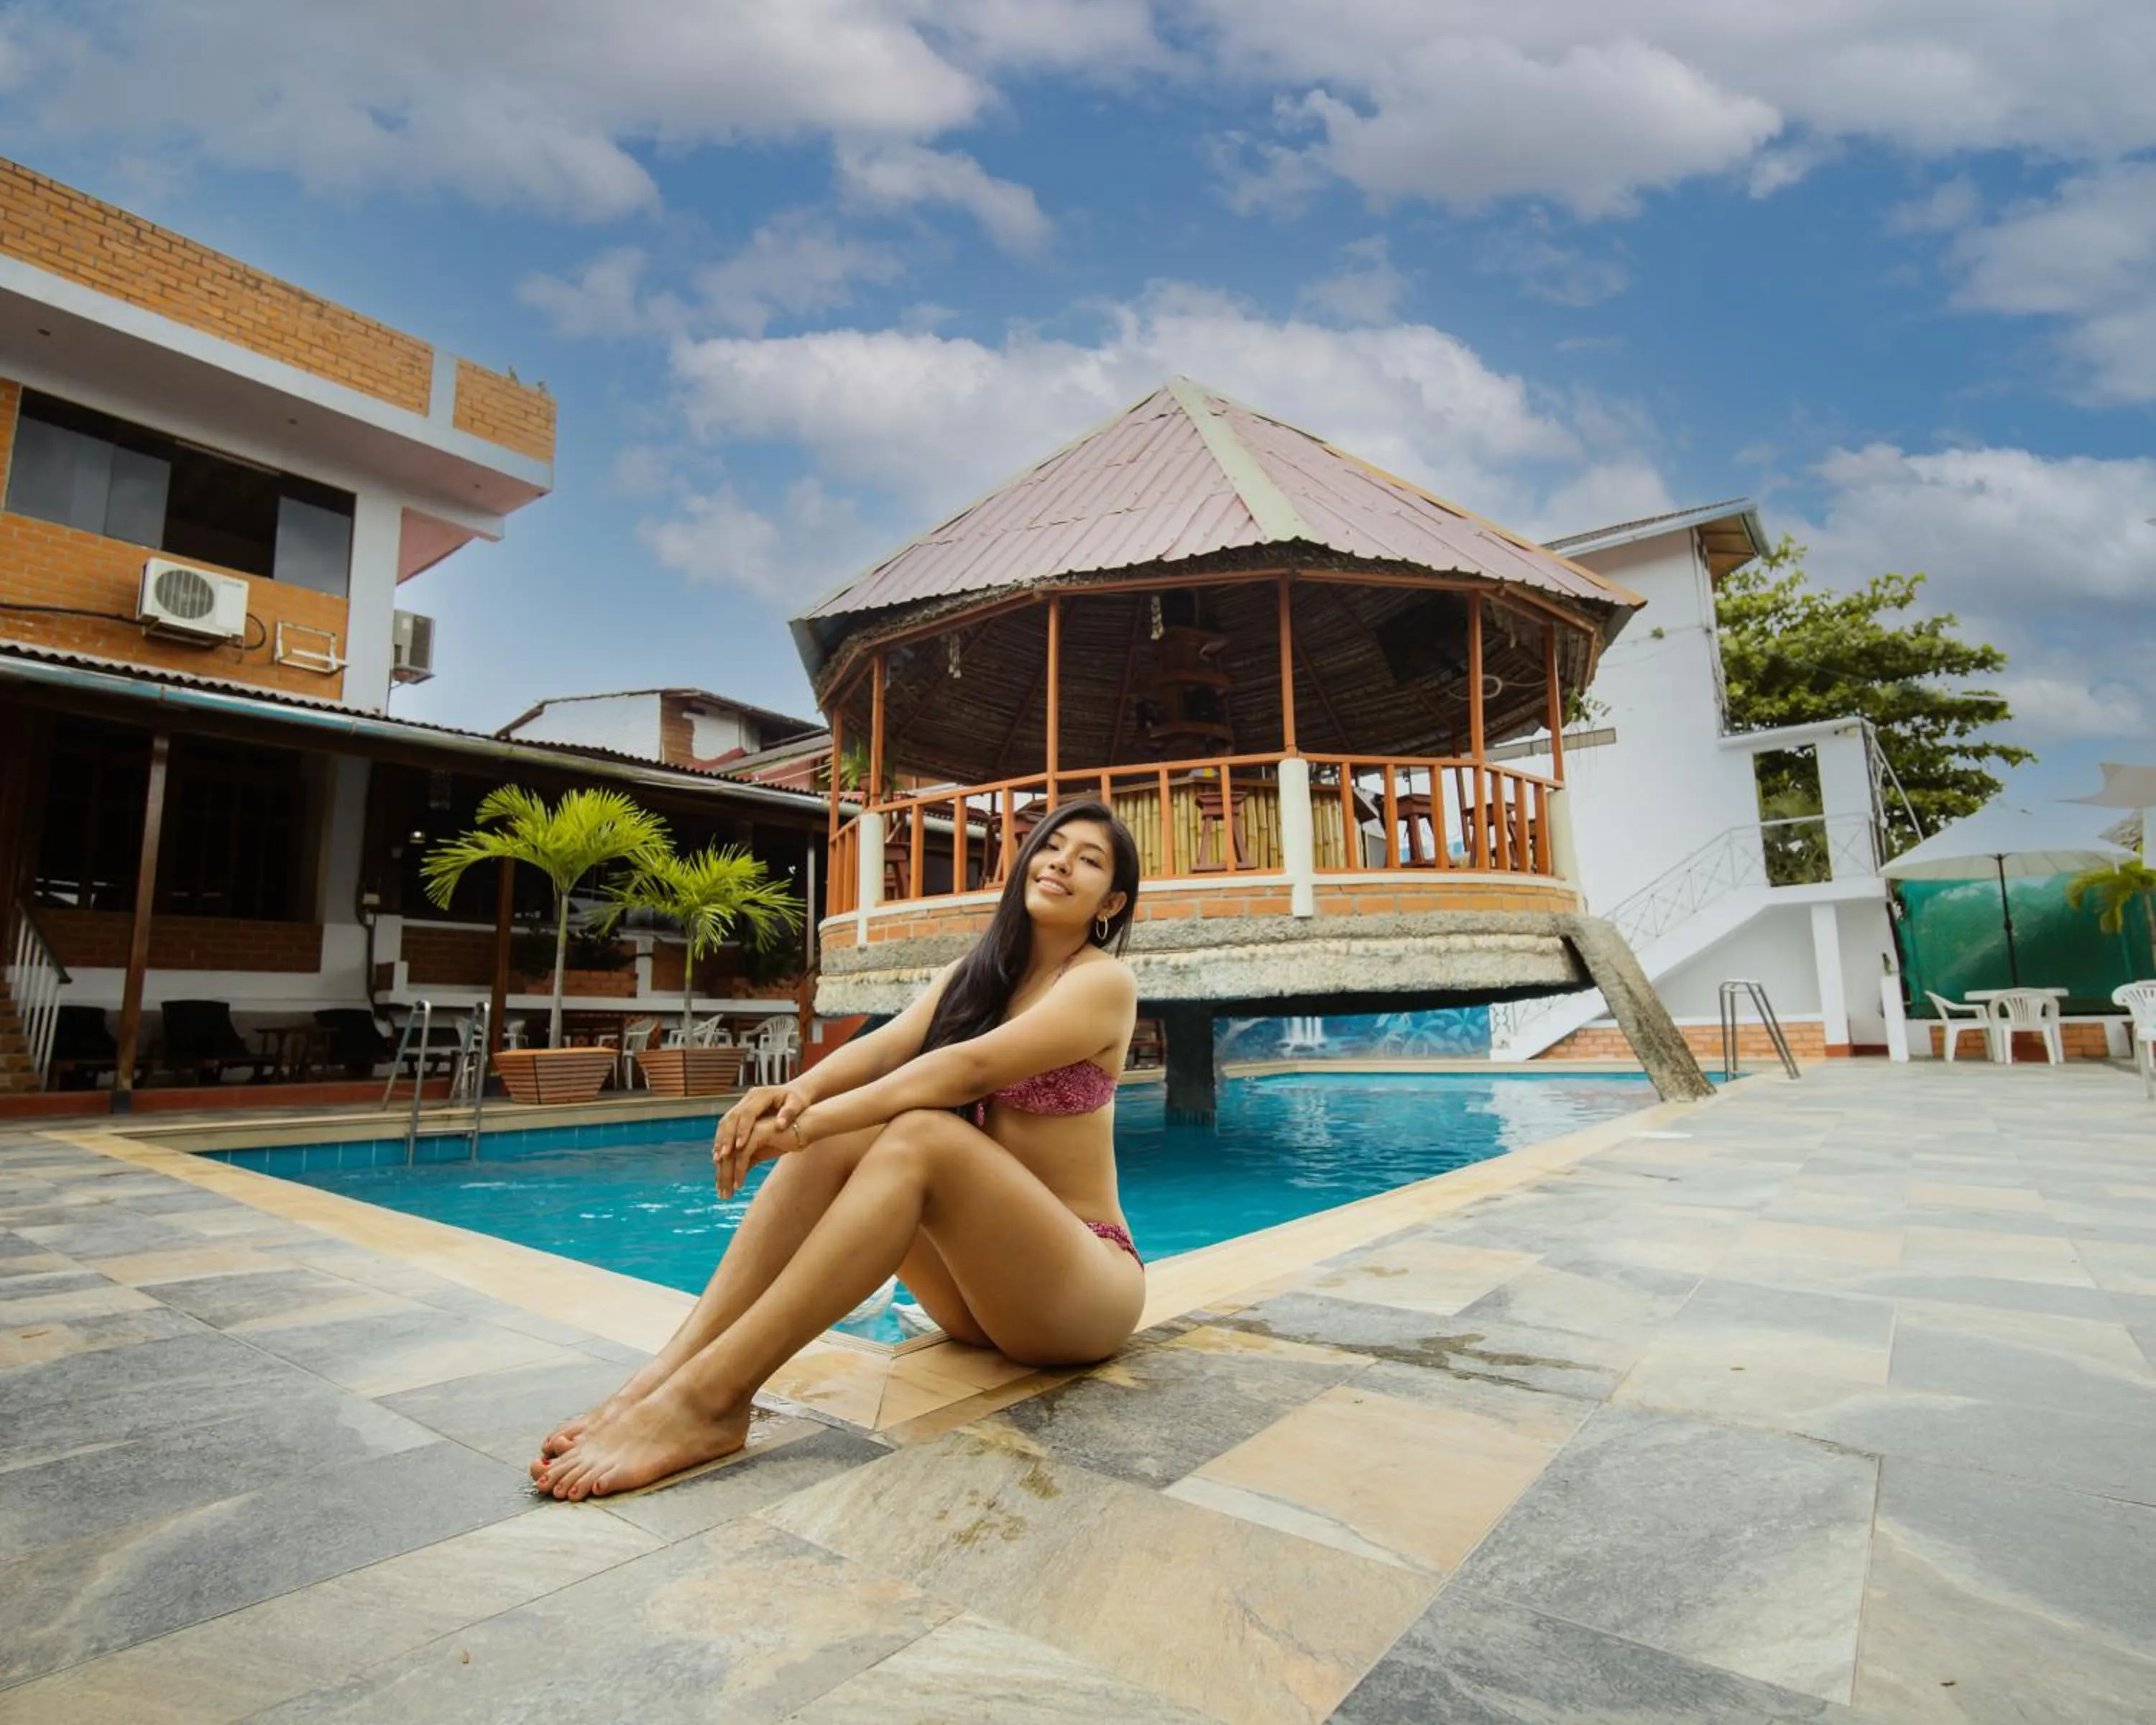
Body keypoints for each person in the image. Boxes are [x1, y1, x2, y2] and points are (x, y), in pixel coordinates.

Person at [534, 799, 1148, 1500]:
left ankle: (711, 1401)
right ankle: (660, 1379)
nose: (1062, 864)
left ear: (1111, 902)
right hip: (983, 1302)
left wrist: (805, 1128)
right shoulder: (981, 973)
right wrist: (793, 1095)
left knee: (920, 1135)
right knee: (854, 1134)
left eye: (1089, 861)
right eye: (1052, 847)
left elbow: (967, 1069)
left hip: (1082, 1294)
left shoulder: (1103, 982)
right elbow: (888, 1046)